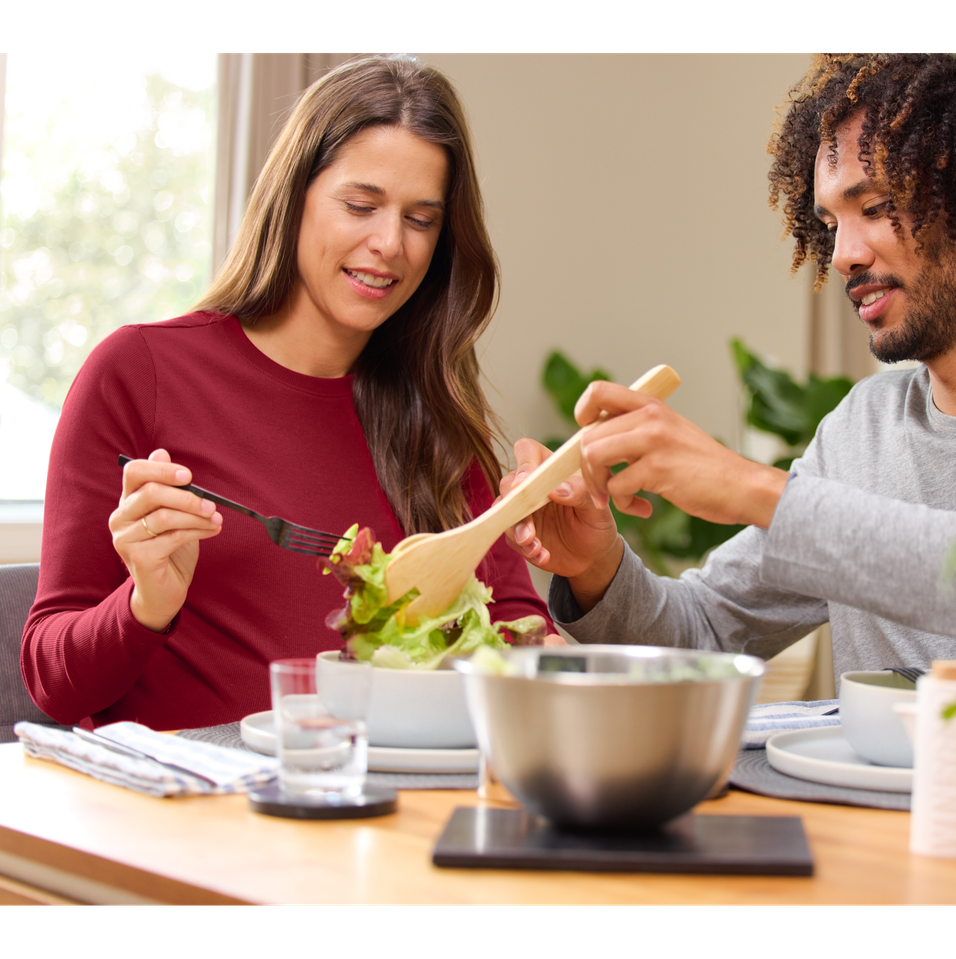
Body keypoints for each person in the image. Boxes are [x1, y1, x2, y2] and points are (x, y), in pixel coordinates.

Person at [502, 52, 956, 680]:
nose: (845, 254)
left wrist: (758, 492)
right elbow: (702, 636)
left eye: (876, 206)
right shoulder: (862, 431)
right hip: (873, 840)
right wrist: (595, 563)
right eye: (829, 224)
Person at [23, 56, 556, 731]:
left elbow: (515, 626)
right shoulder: (138, 373)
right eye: (360, 205)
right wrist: (144, 604)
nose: (389, 243)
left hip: (384, 813)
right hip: (187, 821)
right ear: (294, 196)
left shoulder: (433, 408)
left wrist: (568, 630)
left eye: (421, 220)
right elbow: (50, 682)